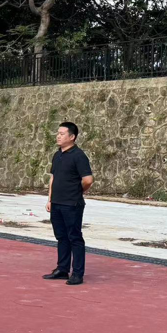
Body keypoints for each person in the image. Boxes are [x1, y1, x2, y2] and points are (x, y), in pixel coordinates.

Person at [43, 122, 94, 285]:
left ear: (72, 137)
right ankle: (62, 269)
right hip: (56, 202)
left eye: (62, 133)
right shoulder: (57, 155)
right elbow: (53, 178)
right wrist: (50, 199)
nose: (58, 136)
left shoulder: (79, 156)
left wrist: (77, 192)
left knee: (75, 238)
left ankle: (77, 273)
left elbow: (88, 180)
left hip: (72, 204)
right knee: (61, 237)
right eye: (58, 133)